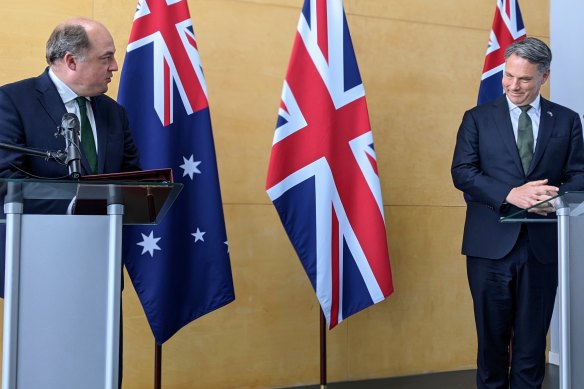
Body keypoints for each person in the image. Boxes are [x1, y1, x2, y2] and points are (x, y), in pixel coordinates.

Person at [0, 17, 140, 388]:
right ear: (71, 61)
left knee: (100, 367)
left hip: (100, 262)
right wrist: (76, 201)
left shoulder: (114, 112)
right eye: (106, 58)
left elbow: (132, 178)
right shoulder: (13, 100)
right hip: (37, 264)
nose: (114, 67)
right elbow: (5, 182)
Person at [451, 37, 584, 388]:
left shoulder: (567, 121)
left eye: (524, 79)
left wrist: (553, 200)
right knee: (492, 344)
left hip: (542, 248)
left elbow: (578, 175)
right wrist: (511, 193)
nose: (513, 86)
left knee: (531, 345)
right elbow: (462, 172)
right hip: (489, 246)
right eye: (508, 76)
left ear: (545, 76)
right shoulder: (477, 119)